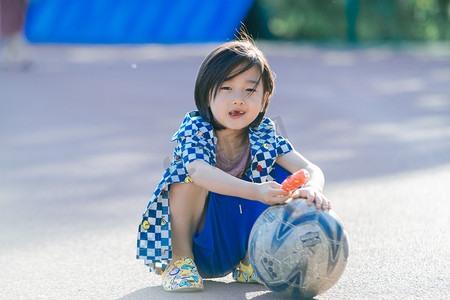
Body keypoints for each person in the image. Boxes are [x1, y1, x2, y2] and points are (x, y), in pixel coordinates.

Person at [136, 35, 331, 292]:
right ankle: (179, 262)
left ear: (264, 100)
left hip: (242, 240)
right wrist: (256, 191)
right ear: (207, 96)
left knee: (284, 174)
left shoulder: (264, 134)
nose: (238, 99)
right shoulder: (197, 129)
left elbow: (311, 170)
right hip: (201, 244)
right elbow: (199, 171)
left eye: (250, 90)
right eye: (226, 88)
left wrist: (313, 188)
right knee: (186, 174)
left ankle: (253, 260)